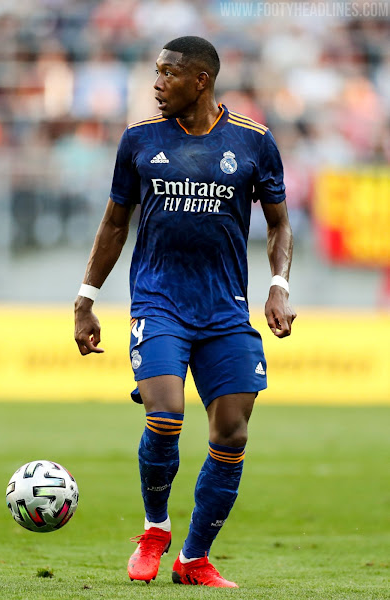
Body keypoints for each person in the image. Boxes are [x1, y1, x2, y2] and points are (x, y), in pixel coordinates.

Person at [74, 35, 296, 588]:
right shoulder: (139, 140)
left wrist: (278, 286)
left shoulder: (254, 141)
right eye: (156, 72)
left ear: (201, 81)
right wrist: (86, 298)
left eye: (168, 74)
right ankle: (155, 529)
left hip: (225, 309)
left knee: (233, 434)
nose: (156, 84)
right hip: (159, 301)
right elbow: (115, 224)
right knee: (166, 415)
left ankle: (194, 558)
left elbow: (279, 224)